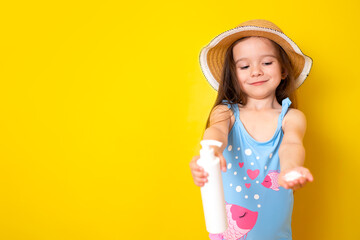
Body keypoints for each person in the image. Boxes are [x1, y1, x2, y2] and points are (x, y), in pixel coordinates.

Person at [189, 19, 314, 240]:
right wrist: (210, 153)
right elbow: (216, 132)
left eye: (267, 63)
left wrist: (291, 169)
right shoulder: (225, 112)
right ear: (234, 75)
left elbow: (292, 143)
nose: (256, 72)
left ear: (283, 70)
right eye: (245, 66)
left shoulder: (291, 117)